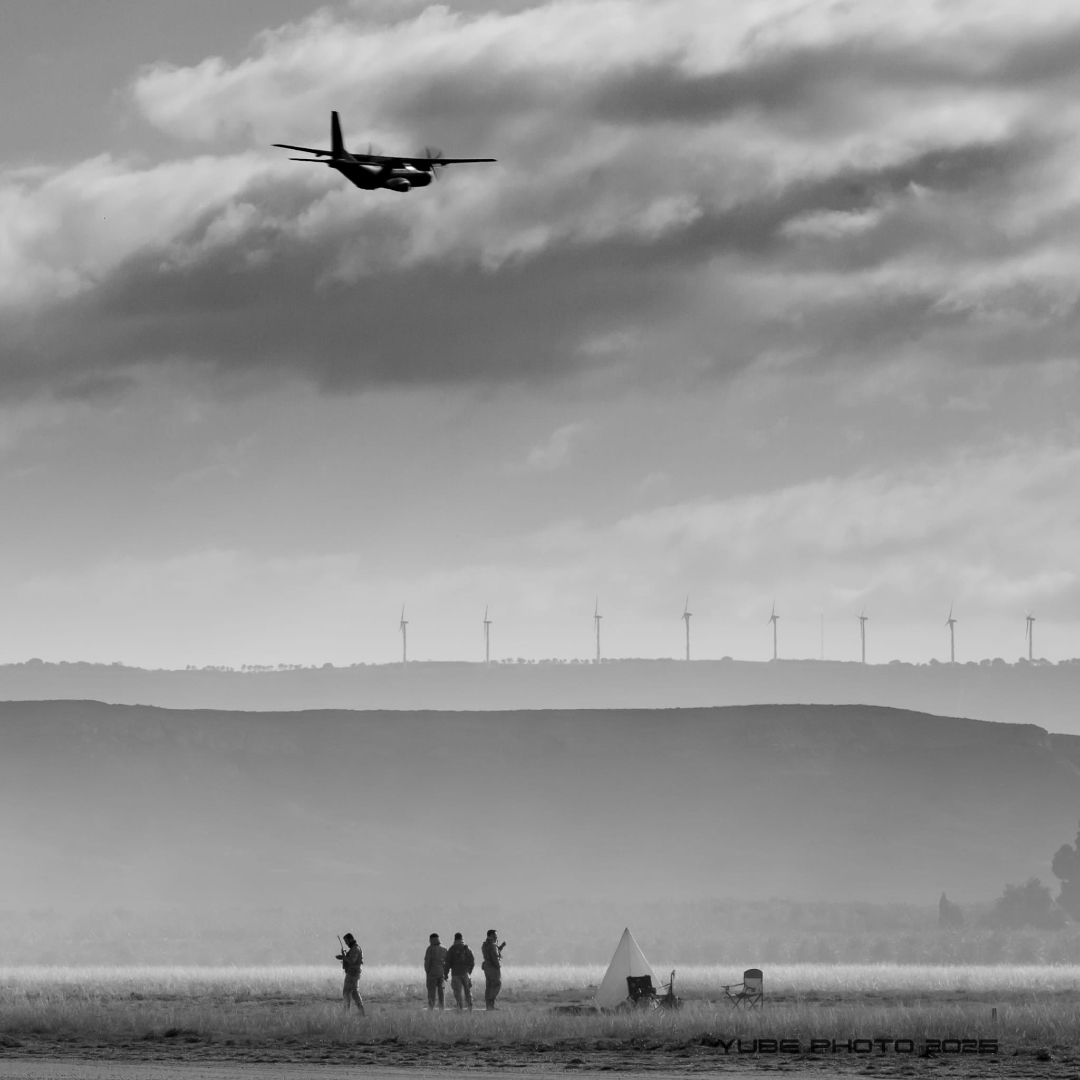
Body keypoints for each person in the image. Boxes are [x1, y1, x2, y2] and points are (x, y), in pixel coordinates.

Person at [335, 932, 365, 1014]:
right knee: (355, 993)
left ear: (351, 939)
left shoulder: (355, 949)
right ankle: (361, 1012)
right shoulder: (354, 949)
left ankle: (346, 1011)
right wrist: (342, 956)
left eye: (347, 941)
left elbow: (352, 961)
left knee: (346, 991)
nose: (346, 943)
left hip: (352, 974)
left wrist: (344, 957)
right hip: (354, 973)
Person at [445, 932, 475, 1011]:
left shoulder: (452, 949)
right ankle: (470, 1006)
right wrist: (469, 971)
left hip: (455, 973)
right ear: (462, 938)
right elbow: (472, 961)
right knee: (467, 990)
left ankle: (459, 1006)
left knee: (457, 991)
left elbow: (447, 962)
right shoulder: (466, 948)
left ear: (454, 939)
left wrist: (445, 973)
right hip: (465, 973)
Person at [423, 932, 449, 1011]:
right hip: (442, 974)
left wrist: (427, 971)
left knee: (431, 993)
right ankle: (442, 1009)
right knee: (442, 993)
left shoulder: (430, 948)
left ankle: (431, 1009)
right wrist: (446, 973)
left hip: (432, 974)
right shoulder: (444, 948)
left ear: (431, 940)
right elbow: (447, 962)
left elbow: (427, 962)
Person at [481, 928, 505, 1010]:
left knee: (489, 985)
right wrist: (498, 966)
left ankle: (488, 1005)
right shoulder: (493, 945)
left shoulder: (486, 944)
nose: (496, 936)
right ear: (491, 935)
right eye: (495, 935)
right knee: (496, 984)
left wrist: (501, 946)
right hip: (493, 968)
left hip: (487, 967)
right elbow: (495, 956)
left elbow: (492, 952)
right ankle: (491, 1005)